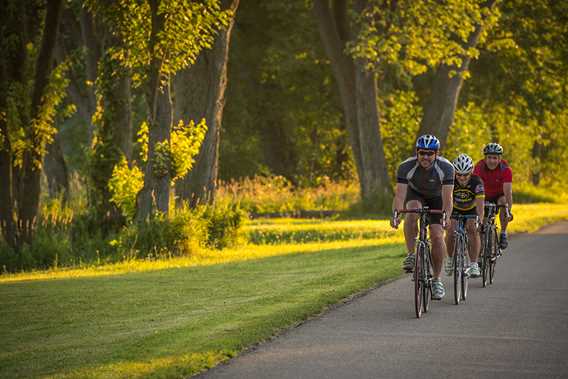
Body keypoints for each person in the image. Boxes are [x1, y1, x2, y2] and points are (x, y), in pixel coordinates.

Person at [391, 134, 454, 300]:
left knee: (437, 235)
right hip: (415, 194)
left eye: (430, 153)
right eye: (422, 153)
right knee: (412, 211)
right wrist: (396, 214)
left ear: (436, 154)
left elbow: (448, 198)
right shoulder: (406, 167)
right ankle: (412, 254)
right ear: (417, 152)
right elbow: (399, 196)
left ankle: (436, 280)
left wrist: (447, 217)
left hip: (437, 197)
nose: (425, 157)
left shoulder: (446, 168)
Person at [445, 154, 485, 278]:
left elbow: (480, 205)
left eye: (465, 175)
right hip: (455, 209)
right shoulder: (450, 181)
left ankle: (473, 264)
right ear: (454, 173)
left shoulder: (477, 182)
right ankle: (450, 259)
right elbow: (446, 199)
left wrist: (481, 220)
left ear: (471, 172)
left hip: (471, 209)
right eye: (459, 175)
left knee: (472, 229)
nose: (462, 178)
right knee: (451, 230)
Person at [473, 143, 513, 249]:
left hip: (499, 195)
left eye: (495, 158)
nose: (492, 161)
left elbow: (508, 191)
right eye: (489, 157)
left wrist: (509, 209)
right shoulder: (479, 167)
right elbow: (476, 187)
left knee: (503, 202)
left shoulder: (506, 169)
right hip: (484, 195)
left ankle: (503, 232)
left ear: (500, 158)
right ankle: (482, 253)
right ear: (485, 158)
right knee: (483, 225)